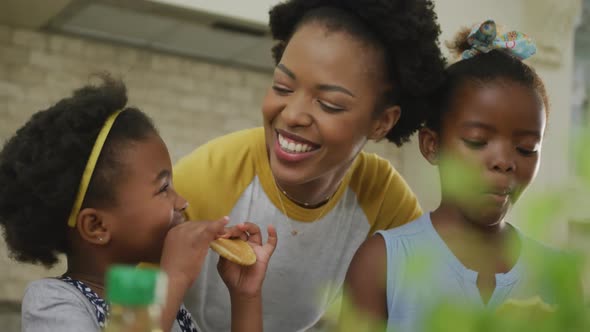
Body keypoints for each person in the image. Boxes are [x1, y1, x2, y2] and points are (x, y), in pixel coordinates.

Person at [173, 0, 446, 330]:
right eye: (282, 87)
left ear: (382, 123)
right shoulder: (209, 176)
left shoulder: (384, 200)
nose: (292, 114)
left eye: (329, 105)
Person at [343, 20, 576, 332]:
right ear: (432, 145)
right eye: (478, 142)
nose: (505, 162)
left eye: (526, 148)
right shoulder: (381, 263)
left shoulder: (556, 275)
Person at [0, 75, 277, 332]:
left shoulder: (161, 306)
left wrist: (245, 295)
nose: (182, 201)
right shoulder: (53, 301)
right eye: (164, 188)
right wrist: (173, 278)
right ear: (96, 225)